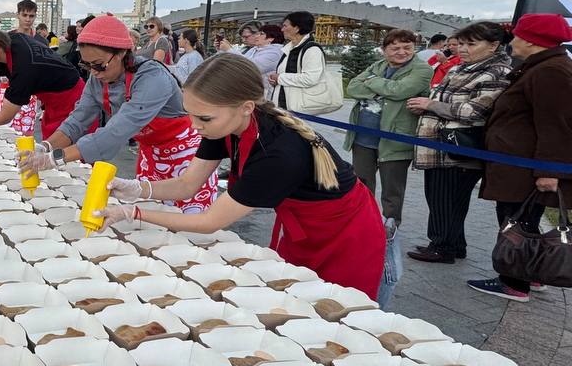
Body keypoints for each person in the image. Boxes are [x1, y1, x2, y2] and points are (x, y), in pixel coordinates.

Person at [94, 54, 385, 298]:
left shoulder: (277, 153)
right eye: (190, 115)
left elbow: (209, 222)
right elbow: (187, 184)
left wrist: (133, 213)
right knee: (299, 295)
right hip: (303, 226)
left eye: (203, 118)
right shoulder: (222, 125)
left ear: (246, 107)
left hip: (347, 234)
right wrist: (139, 189)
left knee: (337, 306)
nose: (194, 126)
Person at [21, 15, 220, 212]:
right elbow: (78, 119)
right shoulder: (97, 79)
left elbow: (117, 130)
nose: (94, 72)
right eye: (86, 65)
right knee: (151, 215)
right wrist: (45, 146)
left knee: (189, 222)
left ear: (121, 53)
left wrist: (56, 157)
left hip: (185, 154)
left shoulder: (151, 77)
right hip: (151, 154)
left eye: (98, 65)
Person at [470, 14, 572, 301]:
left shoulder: (551, 71)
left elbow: (557, 125)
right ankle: (530, 272)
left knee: (516, 221)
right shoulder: (542, 67)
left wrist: (549, 170)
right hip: (519, 164)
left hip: (524, 167)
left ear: (531, 40)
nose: (512, 42)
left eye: (517, 36)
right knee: (522, 219)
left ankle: (514, 282)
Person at [407, 22, 512, 264]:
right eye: (461, 43)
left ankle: (441, 246)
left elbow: (474, 111)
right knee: (442, 197)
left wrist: (430, 105)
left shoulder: (496, 72)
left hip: (458, 147)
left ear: (494, 45)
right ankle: (454, 244)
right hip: (439, 145)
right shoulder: (461, 68)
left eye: (471, 44)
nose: (462, 49)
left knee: (447, 198)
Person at [343, 29, 432, 232]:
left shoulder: (422, 69)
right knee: (361, 183)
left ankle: (390, 227)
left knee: (392, 188)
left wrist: (373, 82)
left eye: (407, 47)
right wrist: (386, 88)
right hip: (363, 136)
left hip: (395, 138)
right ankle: (362, 221)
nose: (402, 52)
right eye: (395, 48)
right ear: (384, 51)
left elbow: (399, 91)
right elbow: (353, 88)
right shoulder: (379, 65)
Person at [0, 0, 43, 134]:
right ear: (18, 15)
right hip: (8, 86)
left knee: (26, 130)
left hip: (31, 91)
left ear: (35, 16)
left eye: (31, 16)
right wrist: (2, 74)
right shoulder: (7, 38)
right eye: (24, 15)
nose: (28, 19)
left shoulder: (41, 41)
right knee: (4, 128)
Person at [269, 10, 328, 111]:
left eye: (285, 26)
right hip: (284, 106)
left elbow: (310, 79)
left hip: (299, 109)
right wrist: (276, 81)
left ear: (296, 28)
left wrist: (280, 78)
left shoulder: (312, 50)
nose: (282, 29)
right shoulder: (289, 49)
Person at [218, 21, 283, 96]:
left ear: (270, 38)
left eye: (261, 34)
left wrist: (229, 50)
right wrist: (223, 50)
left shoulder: (275, 53)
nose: (257, 36)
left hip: (264, 94)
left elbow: (250, 67)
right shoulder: (255, 49)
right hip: (251, 91)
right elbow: (237, 62)